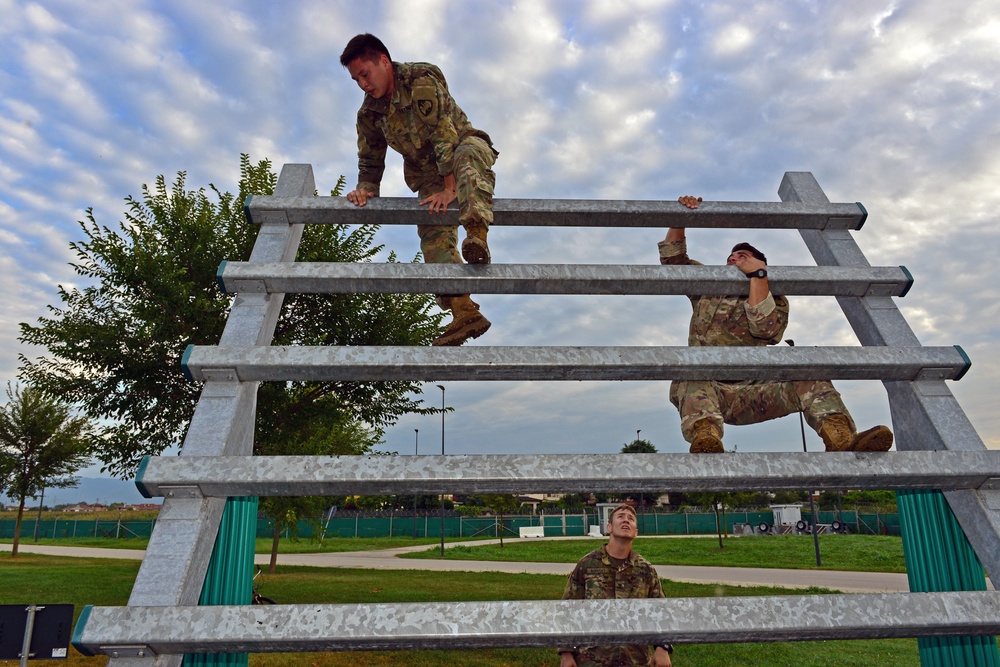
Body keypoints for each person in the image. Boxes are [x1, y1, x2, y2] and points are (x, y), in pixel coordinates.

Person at [660, 195, 894, 454]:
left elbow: (765, 329)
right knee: (691, 369)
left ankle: (840, 438)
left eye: (742, 256)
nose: (733, 259)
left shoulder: (776, 300)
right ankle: (706, 439)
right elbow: (674, 261)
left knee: (808, 370)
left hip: (754, 392)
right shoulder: (708, 289)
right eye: (731, 256)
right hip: (707, 393)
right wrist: (680, 216)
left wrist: (758, 276)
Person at [340, 33, 499, 347]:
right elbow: (370, 155)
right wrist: (365, 188)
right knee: (431, 228)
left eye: (365, 74)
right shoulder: (369, 113)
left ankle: (477, 234)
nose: (363, 84)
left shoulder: (419, 80)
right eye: (356, 79)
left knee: (465, 159)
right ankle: (464, 312)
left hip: (462, 145)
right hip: (428, 174)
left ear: (383, 61)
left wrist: (451, 186)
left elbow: (443, 131)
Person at [559, 504, 673, 667]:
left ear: (636, 532)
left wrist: (662, 648)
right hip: (592, 660)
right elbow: (568, 610)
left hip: (635, 660)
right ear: (609, 527)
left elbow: (660, 611)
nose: (626, 520)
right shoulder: (587, 565)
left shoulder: (646, 570)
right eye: (620, 517)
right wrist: (566, 653)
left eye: (631, 519)